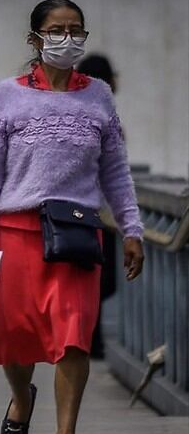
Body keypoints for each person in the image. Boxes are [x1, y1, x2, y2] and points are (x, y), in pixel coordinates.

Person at [0, 0, 145, 434]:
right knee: (15, 339)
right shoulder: (7, 96)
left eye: (75, 29)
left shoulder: (99, 95)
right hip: (19, 231)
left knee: (74, 334)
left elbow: (116, 172)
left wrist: (132, 229)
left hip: (78, 233)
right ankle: (22, 398)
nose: (67, 37)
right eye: (56, 29)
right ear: (35, 38)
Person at [77, 54, 119, 360]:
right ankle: (88, 341)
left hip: (101, 215)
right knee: (99, 282)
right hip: (95, 215)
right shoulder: (94, 118)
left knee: (101, 283)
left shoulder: (103, 115)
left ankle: (92, 339)